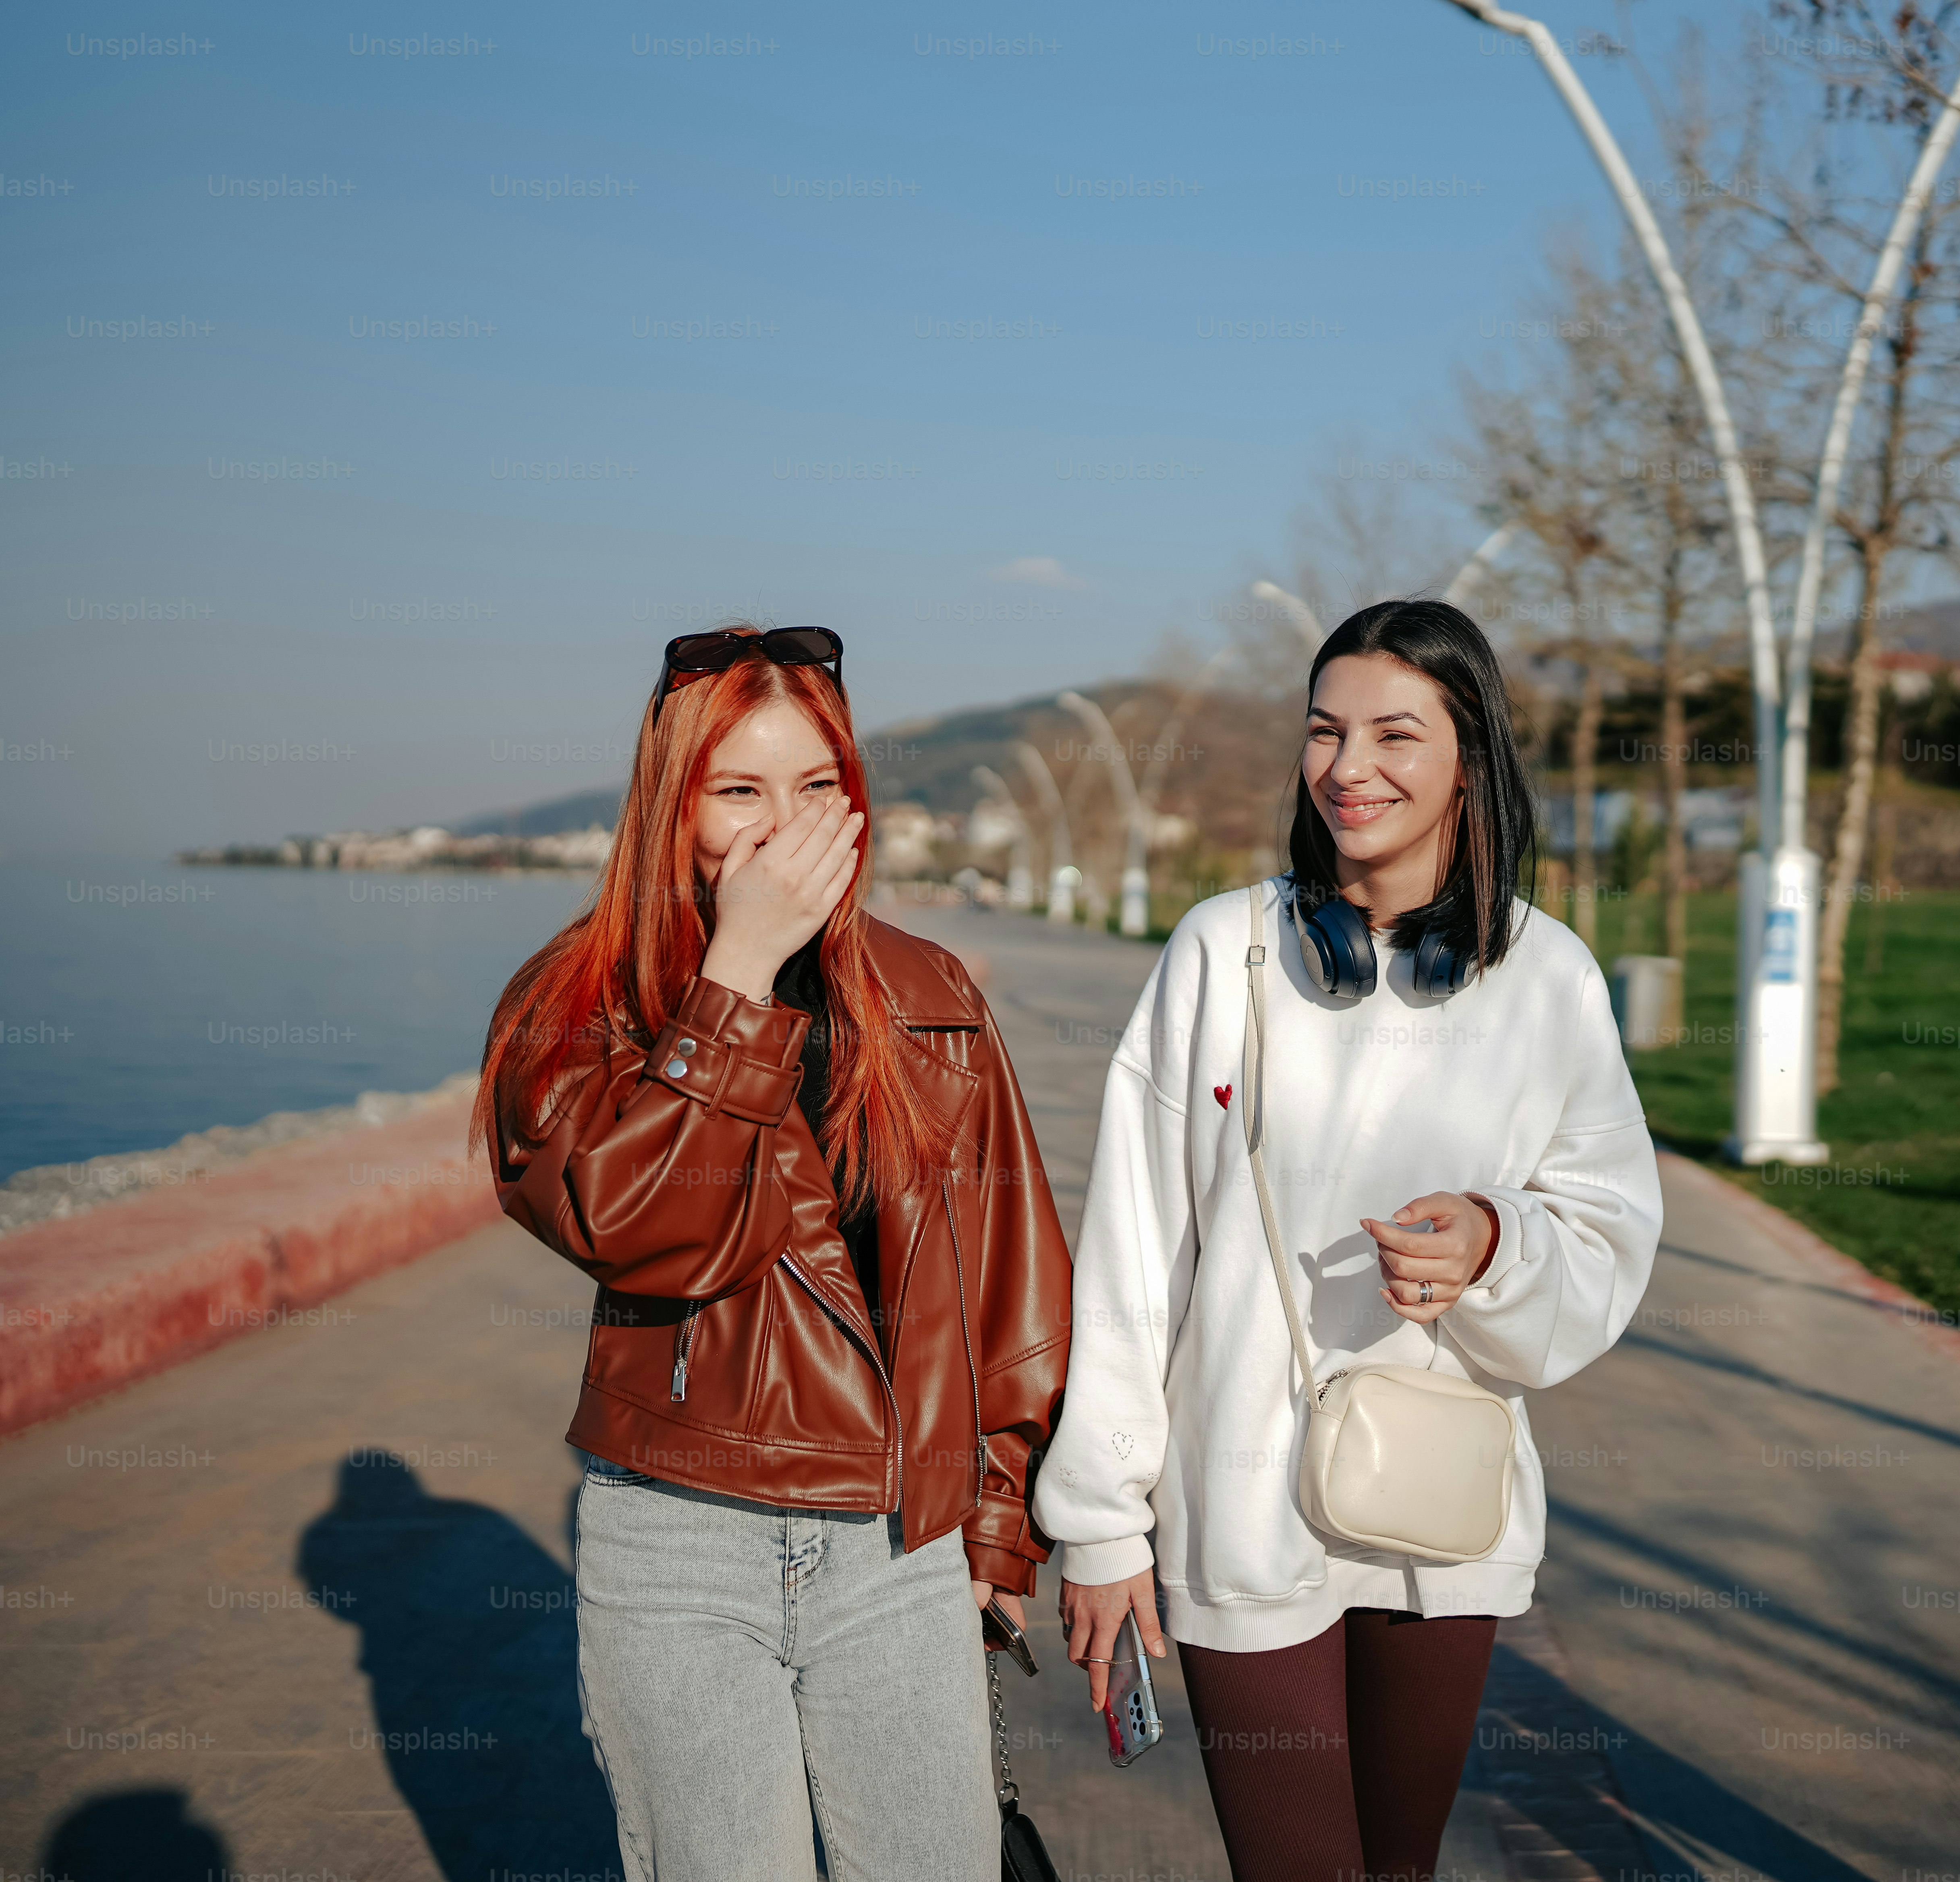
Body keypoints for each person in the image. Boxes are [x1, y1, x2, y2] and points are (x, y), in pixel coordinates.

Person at [1035, 599, 1661, 1882]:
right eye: (1325, 731)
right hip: (1237, 1501)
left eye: (1395, 733)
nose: (1349, 767)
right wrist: (1099, 1521)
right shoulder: (1226, 952)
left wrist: (1499, 1243)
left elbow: (1607, 1232)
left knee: (1401, 1869)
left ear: (1469, 760)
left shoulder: (1548, 979)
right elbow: (1136, 1256)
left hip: (1440, 1507)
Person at [478, 625, 1070, 1882]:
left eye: (817, 789)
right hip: (678, 1538)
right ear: (671, 804)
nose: (781, 827)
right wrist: (735, 977)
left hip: (896, 1539)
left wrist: (1000, 1527)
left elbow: (1007, 1285)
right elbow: (645, 1234)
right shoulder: (579, 1004)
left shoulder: (931, 994)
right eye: (738, 790)